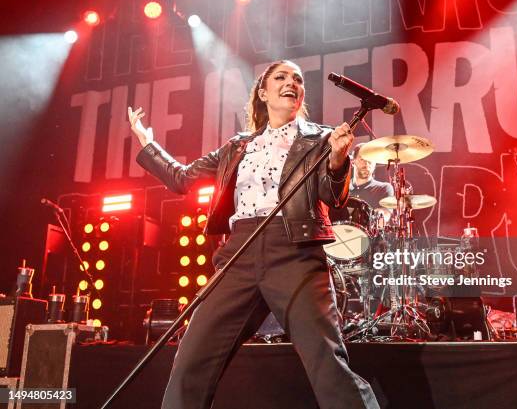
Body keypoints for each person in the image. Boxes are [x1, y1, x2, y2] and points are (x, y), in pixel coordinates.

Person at [128, 60, 380, 409]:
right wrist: (148, 143)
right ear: (263, 93)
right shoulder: (238, 146)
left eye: (297, 79)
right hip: (239, 253)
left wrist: (338, 160)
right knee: (191, 361)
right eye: (280, 77)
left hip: (295, 250)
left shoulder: (320, 137)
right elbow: (182, 178)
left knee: (326, 362)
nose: (291, 82)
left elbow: (331, 195)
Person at [349, 143, 393, 208]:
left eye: (370, 160)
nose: (366, 163)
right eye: (362, 159)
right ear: (353, 162)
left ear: (375, 164)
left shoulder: (384, 188)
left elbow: (385, 214)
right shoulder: (342, 189)